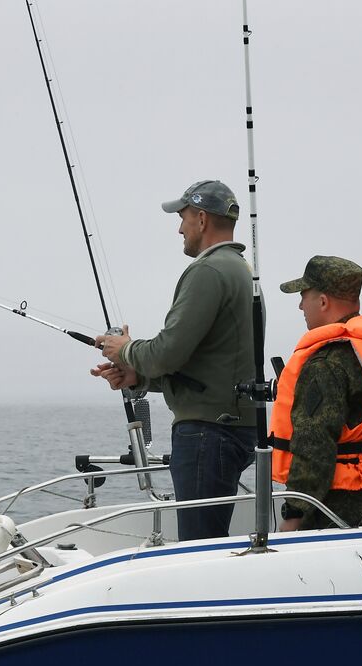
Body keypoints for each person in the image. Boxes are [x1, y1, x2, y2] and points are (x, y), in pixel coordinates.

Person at [91, 179, 256, 541]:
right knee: (209, 544)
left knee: (198, 548)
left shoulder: (207, 272)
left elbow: (167, 352)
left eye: (182, 218)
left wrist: (125, 349)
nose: (179, 228)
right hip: (234, 428)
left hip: (207, 434)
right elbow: (206, 364)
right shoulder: (240, 270)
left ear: (201, 218)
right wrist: (137, 377)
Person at [270, 256, 362, 531]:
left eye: (304, 296)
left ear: (323, 301)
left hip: (335, 505)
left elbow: (314, 445)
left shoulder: (325, 363)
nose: (301, 305)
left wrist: (293, 514)